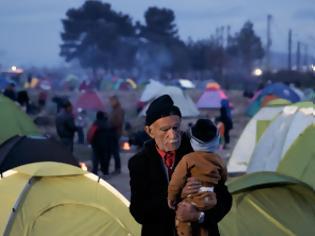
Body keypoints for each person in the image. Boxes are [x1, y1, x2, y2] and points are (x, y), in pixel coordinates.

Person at [128, 94, 232, 236]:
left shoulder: (198, 150)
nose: (173, 135)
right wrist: (177, 195)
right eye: (165, 130)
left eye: (176, 128)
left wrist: (200, 216)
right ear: (150, 131)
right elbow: (139, 212)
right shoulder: (139, 162)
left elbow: (224, 198)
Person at [168, 118, 229, 236]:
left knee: (184, 224)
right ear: (216, 140)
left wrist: (172, 197)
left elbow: (176, 181)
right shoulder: (219, 160)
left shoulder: (188, 159)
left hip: (192, 199)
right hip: (210, 199)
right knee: (205, 230)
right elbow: (223, 178)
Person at [87, 111, 112, 176]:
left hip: (96, 144)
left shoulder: (96, 124)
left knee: (95, 158)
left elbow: (91, 134)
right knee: (104, 158)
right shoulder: (107, 123)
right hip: (106, 144)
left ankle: (95, 171)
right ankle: (105, 172)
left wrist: (90, 142)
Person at [108, 95, 125, 174]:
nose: (111, 103)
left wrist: (110, 125)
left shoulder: (119, 110)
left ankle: (117, 168)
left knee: (115, 151)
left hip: (115, 132)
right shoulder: (114, 110)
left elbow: (118, 122)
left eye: (112, 101)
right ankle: (116, 168)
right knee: (113, 151)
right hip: (112, 132)